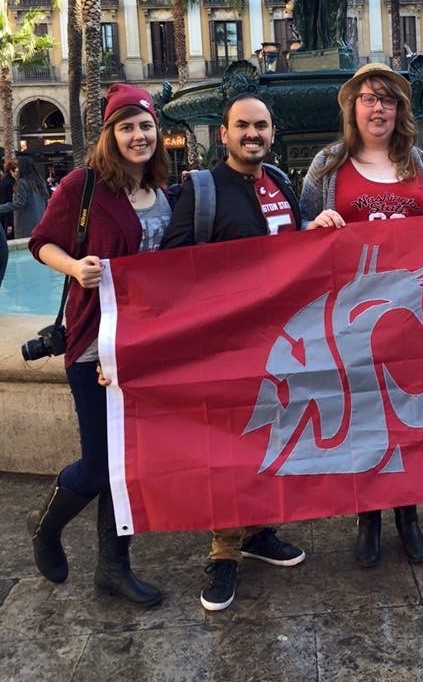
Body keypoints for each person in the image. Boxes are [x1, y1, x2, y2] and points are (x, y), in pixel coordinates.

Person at [27, 84, 172, 606]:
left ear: (158, 131)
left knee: (126, 464)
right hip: (94, 342)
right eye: (127, 126)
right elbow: (42, 241)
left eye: (146, 125)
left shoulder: (163, 190)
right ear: (110, 135)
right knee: (97, 463)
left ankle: (113, 567)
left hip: (145, 348)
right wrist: (75, 267)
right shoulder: (82, 186)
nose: (139, 135)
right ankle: (44, 526)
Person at [161, 93, 306, 612]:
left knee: (268, 438)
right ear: (223, 134)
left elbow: (299, 252)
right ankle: (224, 551)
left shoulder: (282, 185)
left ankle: (260, 531)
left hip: (281, 345)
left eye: (261, 126)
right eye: (242, 126)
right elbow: (172, 263)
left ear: (272, 133)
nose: (253, 134)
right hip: (225, 347)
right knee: (226, 448)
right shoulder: (202, 191)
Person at [300, 62, 423, 568]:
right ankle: (369, 517)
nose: (377, 107)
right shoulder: (327, 165)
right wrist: (315, 223)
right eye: (367, 98)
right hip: (350, 318)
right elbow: (300, 230)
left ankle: (409, 515)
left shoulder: (419, 163)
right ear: (352, 109)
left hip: (408, 315)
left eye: (386, 98)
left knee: (407, 415)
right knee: (363, 417)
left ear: (399, 110)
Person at [0, 155, 48, 238]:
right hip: (41, 222)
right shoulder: (40, 181)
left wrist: (1, 208)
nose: (16, 170)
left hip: (25, 224)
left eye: (17, 167)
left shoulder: (22, 182)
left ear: (22, 168)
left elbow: (20, 203)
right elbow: (46, 199)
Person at [0, 160, 16, 238]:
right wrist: (9, 223)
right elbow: (9, 200)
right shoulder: (10, 182)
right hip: (8, 215)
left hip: (5, 213)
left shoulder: (5, 181)